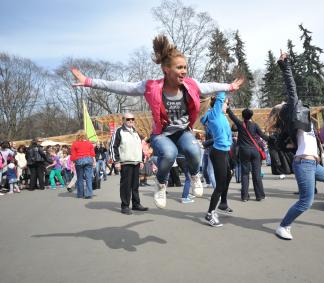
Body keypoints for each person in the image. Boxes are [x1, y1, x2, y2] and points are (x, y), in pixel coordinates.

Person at [71, 35, 243, 209]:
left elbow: (210, 86)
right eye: (179, 67)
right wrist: (89, 82)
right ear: (166, 69)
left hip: (183, 132)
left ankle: (194, 175)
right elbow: (122, 86)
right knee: (169, 154)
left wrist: (229, 87)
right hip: (162, 134)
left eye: (185, 67)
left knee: (194, 150)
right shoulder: (151, 87)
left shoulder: (190, 85)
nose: (184, 71)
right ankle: (161, 185)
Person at [275, 50, 324, 240]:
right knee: (306, 201)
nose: (289, 101)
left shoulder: (306, 123)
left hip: (313, 163)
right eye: (286, 103)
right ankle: (283, 226)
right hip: (304, 164)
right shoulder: (294, 116)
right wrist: (285, 65)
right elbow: (291, 88)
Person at [201, 93, 234, 227]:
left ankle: (223, 203)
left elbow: (228, 134)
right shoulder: (214, 114)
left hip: (225, 151)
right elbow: (220, 96)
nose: (228, 106)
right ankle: (210, 214)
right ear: (219, 104)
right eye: (226, 103)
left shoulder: (221, 116)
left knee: (229, 175)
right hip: (218, 152)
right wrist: (224, 87)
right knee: (220, 185)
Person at [109, 113, 148, 214]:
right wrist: (116, 161)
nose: (131, 121)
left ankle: (136, 204)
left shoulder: (135, 132)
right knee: (126, 185)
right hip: (125, 162)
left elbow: (140, 146)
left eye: (132, 119)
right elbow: (113, 146)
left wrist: (141, 159)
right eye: (128, 119)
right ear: (123, 120)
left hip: (136, 162)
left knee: (135, 185)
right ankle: (125, 206)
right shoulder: (119, 131)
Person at [227, 107, 269, 201]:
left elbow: (232, 116)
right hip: (255, 151)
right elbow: (263, 136)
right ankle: (259, 195)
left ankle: (245, 196)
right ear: (251, 115)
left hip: (244, 151)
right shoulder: (255, 125)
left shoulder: (240, 124)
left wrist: (228, 108)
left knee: (245, 174)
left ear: (242, 116)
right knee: (256, 174)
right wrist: (273, 140)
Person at [70, 132, 96, 199]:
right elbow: (92, 153)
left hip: (79, 160)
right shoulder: (89, 143)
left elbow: (73, 154)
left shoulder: (75, 143)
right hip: (88, 159)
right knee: (88, 178)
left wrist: (73, 161)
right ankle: (89, 194)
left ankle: (80, 194)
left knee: (80, 178)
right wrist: (94, 162)